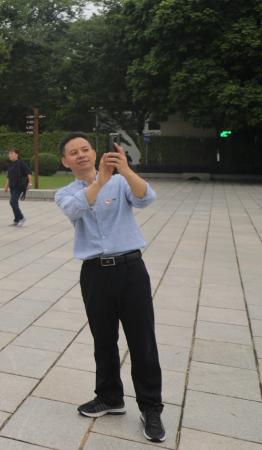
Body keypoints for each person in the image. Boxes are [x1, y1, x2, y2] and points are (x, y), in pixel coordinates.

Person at [55, 132, 164, 443]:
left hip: (131, 269)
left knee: (142, 340)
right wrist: (99, 181)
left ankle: (151, 406)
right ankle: (110, 397)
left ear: (94, 151)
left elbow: (147, 198)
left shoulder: (120, 182)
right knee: (103, 340)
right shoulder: (65, 193)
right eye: (73, 152)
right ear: (65, 161)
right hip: (94, 274)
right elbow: (75, 209)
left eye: (85, 149)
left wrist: (125, 170)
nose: (81, 155)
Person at [3, 148, 32, 227]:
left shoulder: (20, 163)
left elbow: (28, 172)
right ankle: (16, 220)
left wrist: (30, 183)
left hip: (18, 185)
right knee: (14, 203)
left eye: (12, 153)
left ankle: (21, 218)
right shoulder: (12, 164)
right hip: (12, 186)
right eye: (9, 153)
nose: (10, 155)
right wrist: (6, 187)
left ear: (17, 154)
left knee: (12, 202)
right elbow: (9, 177)